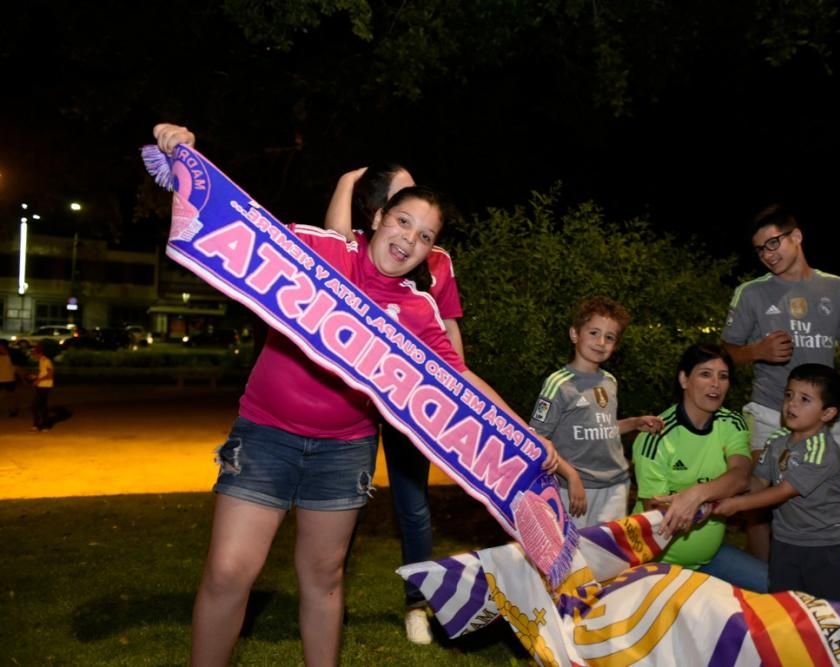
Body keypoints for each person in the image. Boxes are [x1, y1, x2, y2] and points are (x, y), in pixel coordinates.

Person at [152, 124, 557, 667]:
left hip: (343, 454)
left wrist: (528, 440)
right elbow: (240, 228)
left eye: (425, 236)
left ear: (431, 252)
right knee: (228, 571)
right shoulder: (321, 253)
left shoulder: (419, 311)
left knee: (323, 579)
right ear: (378, 219)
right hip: (266, 435)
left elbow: (462, 383)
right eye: (402, 221)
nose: (409, 240)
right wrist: (181, 155)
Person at [325, 164, 465, 644]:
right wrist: (345, 181)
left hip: (412, 400)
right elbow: (328, 254)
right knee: (345, 502)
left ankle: (416, 605)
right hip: (357, 400)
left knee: (412, 504)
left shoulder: (438, 260)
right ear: (382, 207)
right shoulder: (362, 247)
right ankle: (328, 597)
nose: (411, 230)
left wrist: (457, 397)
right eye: (399, 196)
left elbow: (447, 329)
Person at [721, 204, 840, 564]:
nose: (768, 254)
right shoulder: (751, 293)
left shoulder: (837, 288)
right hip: (769, 416)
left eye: (774, 243)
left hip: (829, 420)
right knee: (760, 515)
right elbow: (724, 354)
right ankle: (769, 597)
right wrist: (756, 351)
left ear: (797, 236)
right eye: (761, 249)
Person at [714, 364, 840, 603]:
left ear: (828, 413)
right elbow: (760, 481)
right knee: (785, 611)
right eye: (789, 395)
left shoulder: (821, 450)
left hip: (828, 547)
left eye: (805, 399)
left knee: (836, 619)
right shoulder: (777, 440)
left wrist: (736, 504)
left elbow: (783, 491)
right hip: (785, 543)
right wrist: (724, 484)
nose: (792, 404)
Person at [633, 343, 768, 593]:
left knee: (777, 589)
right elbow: (657, 511)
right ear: (684, 379)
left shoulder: (733, 423)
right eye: (705, 374)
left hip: (710, 557)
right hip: (659, 564)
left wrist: (696, 495)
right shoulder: (655, 437)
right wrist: (703, 506)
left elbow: (739, 476)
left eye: (723, 376)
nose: (715, 384)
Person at [528, 296, 663, 529]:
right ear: (574, 334)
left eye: (609, 337)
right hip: (575, 487)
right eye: (594, 333)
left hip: (616, 485)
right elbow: (537, 439)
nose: (601, 342)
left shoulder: (610, 381)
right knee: (574, 558)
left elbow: (602, 427)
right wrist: (571, 475)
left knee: (609, 557)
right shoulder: (558, 384)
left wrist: (634, 422)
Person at [27, 345, 54, 431]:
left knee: (34, 406)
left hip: (45, 386)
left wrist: (38, 380)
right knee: (42, 406)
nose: (33, 356)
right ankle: (44, 425)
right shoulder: (41, 361)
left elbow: (50, 375)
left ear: (39, 353)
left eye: (34, 354)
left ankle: (37, 424)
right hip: (42, 385)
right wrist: (35, 377)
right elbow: (44, 373)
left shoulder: (46, 361)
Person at [0, 339, 19, 417]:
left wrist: (22, 378)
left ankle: (13, 410)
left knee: (11, 396)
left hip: (9, 379)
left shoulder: (11, 356)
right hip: (1, 379)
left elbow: (17, 368)